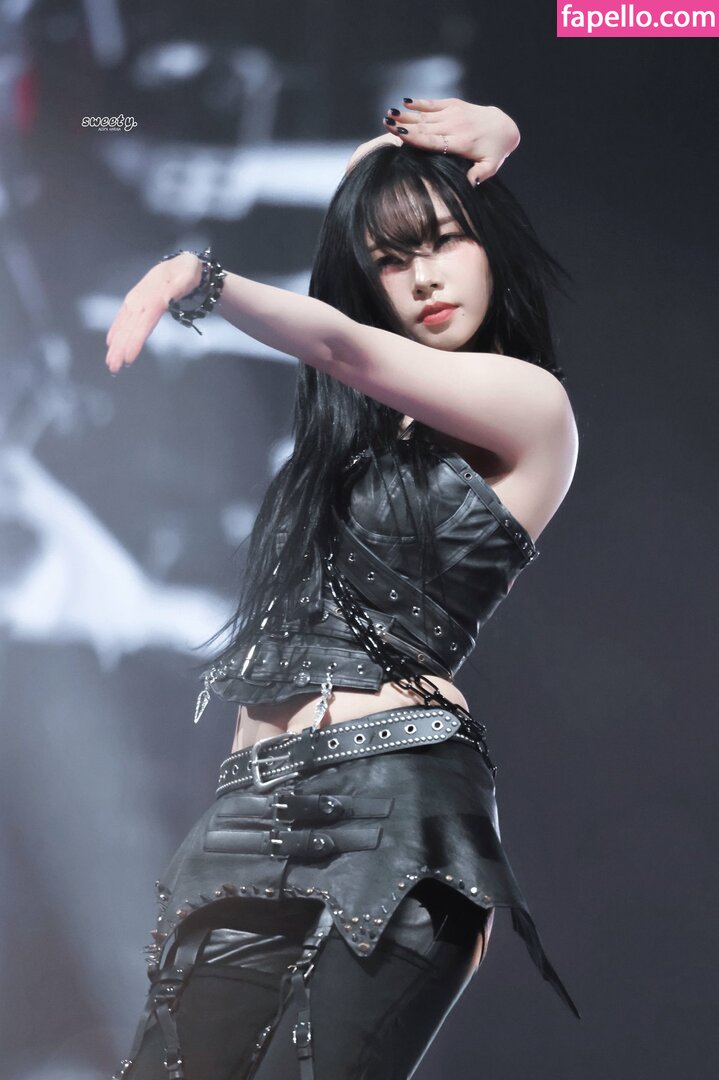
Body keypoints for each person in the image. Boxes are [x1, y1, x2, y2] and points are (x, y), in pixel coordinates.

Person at [105, 97, 580, 1080]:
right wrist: (439, 142)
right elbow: (351, 316)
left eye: (445, 241)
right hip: (245, 813)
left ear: (489, 244)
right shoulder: (348, 443)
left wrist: (203, 277)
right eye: (393, 260)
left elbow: (341, 346)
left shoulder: (531, 407)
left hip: (390, 801)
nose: (425, 276)